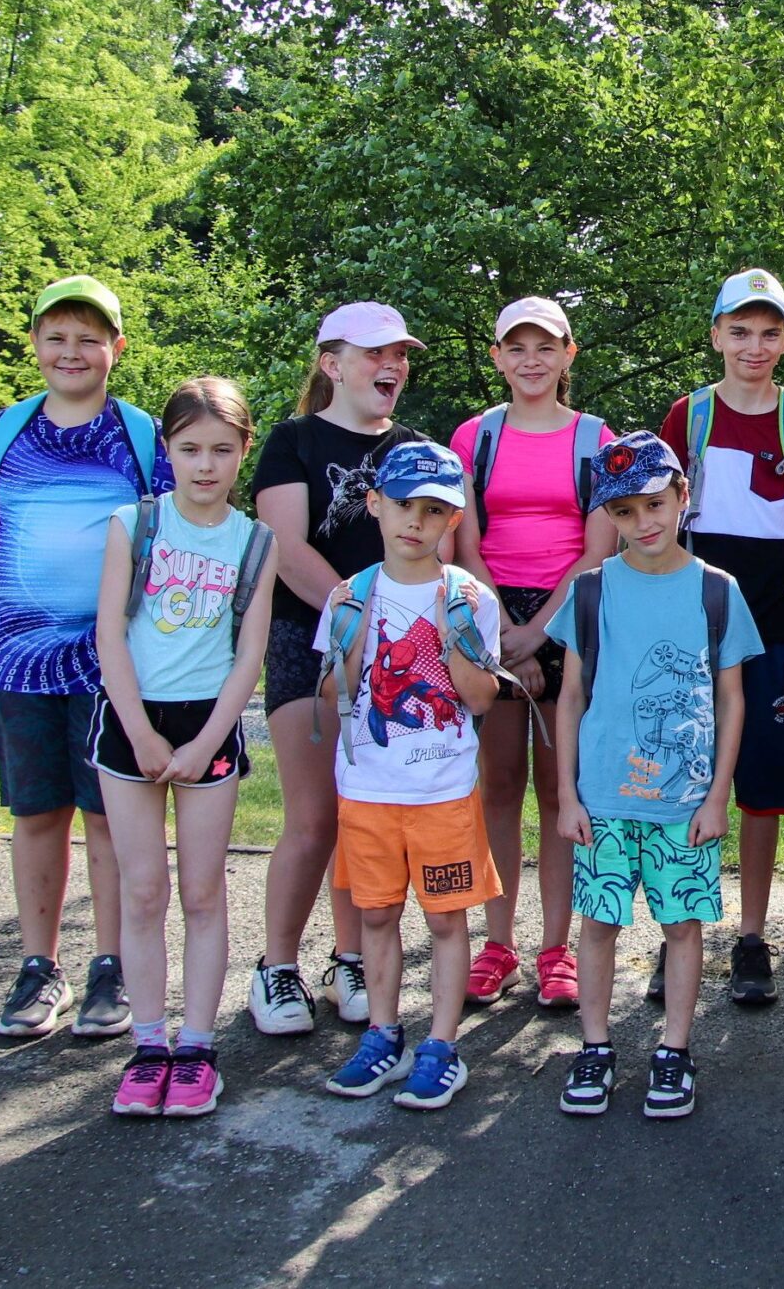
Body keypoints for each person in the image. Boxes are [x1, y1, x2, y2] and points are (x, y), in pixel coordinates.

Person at [0, 274, 171, 1039]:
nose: (71, 351)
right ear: (35, 343)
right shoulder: (2, 431)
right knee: (37, 812)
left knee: (110, 816)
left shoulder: (142, 436)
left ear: (117, 348)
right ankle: (39, 967)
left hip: (116, 666)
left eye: (88, 338)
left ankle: (113, 965)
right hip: (15, 661)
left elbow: (170, 543)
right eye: (56, 337)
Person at [549, 433, 759, 1121]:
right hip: (603, 800)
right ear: (608, 516)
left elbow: (731, 700)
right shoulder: (590, 589)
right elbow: (571, 697)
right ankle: (596, 1046)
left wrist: (718, 794)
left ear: (682, 496)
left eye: (655, 504)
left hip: (684, 804)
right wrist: (566, 793)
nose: (643, 521)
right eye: (625, 510)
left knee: (682, 926)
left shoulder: (716, 591)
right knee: (598, 923)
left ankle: (674, 1050)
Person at [95, 378, 275, 1117]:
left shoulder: (255, 541)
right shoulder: (133, 524)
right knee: (142, 891)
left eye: (222, 450)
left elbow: (249, 656)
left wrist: (205, 742)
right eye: (191, 448)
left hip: (210, 724)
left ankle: (197, 1047)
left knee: (203, 892)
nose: (206, 465)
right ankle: (148, 1047)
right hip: (129, 720)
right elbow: (109, 633)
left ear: (243, 451)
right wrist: (139, 730)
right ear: (166, 448)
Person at [245, 302, 426, 1035]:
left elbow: (436, 546)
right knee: (315, 816)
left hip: (396, 653)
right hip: (308, 640)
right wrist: (361, 621)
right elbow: (286, 548)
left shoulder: (414, 447)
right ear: (332, 364)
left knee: (366, 818)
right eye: (375, 353)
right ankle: (276, 966)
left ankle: (349, 959)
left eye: (400, 354)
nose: (392, 366)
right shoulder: (292, 441)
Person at [658, 269, 784, 1009]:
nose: (753, 346)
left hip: (773, 630)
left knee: (761, 792)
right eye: (739, 331)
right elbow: (661, 527)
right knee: (683, 781)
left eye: (768, 333)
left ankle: (752, 936)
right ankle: (678, 929)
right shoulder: (688, 416)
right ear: (716, 336)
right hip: (695, 627)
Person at [315, 441, 505, 1110]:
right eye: (403, 505)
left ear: (454, 519)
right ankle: (382, 1034)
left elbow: (481, 699)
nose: (415, 522)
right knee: (376, 916)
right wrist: (357, 635)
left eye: (433, 510)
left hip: (441, 793)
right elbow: (333, 694)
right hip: (368, 791)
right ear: (374, 504)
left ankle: (442, 1045)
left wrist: (452, 640)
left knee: (448, 921)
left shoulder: (470, 598)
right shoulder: (348, 596)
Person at [450, 295, 614, 1013]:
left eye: (545, 346)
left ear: (568, 353)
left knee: (558, 789)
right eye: (516, 347)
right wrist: (501, 631)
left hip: (567, 616)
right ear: (497, 358)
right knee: (497, 785)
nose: (531, 360)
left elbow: (599, 547)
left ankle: (555, 947)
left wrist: (539, 631)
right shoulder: (474, 436)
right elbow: (464, 540)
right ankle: (497, 945)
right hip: (489, 618)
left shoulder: (596, 438)